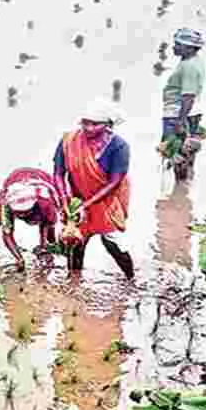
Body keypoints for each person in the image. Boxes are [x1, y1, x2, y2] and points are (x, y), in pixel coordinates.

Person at [54, 100, 134, 279]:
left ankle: (130, 279)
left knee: (113, 242)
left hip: (108, 200)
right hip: (78, 199)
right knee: (75, 242)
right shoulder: (68, 141)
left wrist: (87, 205)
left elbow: (114, 182)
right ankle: (74, 282)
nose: (89, 128)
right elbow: (58, 174)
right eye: (85, 123)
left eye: (95, 124)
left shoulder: (119, 146)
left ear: (108, 125)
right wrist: (64, 200)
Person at [0, 167, 63, 271]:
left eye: (25, 212)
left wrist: (44, 248)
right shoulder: (6, 202)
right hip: (16, 178)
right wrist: (19, 258)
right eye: (19, 213)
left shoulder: (45, 202)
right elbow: (7, 234)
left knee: (50, 228)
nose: (22, 216)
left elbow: (48, 224)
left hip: (42, 179)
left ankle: (49, 248)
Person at [160, 27, 206, 179]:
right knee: (186, 155)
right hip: (188, 114)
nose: (174, 47)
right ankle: (185, 185)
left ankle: (181, 185)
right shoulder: (193, 61)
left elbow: (188, 96)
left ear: (190, 48)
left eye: (178, 44)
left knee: (176, 156)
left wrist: (180, 122)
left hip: (178, 115)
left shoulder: (189, 66)